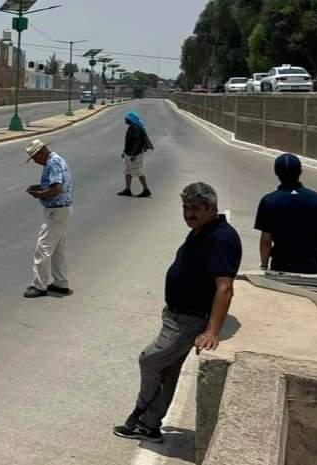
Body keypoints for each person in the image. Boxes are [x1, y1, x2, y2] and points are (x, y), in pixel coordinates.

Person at [114, 182, 241, 443]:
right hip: (176, 316)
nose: (188, 213)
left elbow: (225, 287)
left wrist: (212, 331)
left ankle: (140, 413)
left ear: (211, 208)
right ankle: (149, 425)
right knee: (168, 372)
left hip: (188, 320)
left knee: (149, 360)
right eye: (185, 208)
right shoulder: (202, 230)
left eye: (195, 208)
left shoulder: (222, 238)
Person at [254, 153, 317, 274]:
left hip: (281, 266)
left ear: (276, 172)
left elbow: (266, 240)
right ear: (300, 171)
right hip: (311, 266)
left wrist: (264, 265)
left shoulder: (269, 201)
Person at [22, 139, 73, 298]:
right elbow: (53, 185)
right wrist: (39, 187)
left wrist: (39, 194)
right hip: (62, 210)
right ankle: (60, 283)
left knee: (42, 248)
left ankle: (39, 286)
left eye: (36, 158)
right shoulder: (54, 161)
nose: (36, 162)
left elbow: (56, 188)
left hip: (57, 211)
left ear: (42, 152)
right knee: (58, 249)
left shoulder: (53, 163)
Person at [118, 111, 153, 198]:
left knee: (138, 172)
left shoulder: (135, 128)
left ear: (130, 119)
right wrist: (124, 151)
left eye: (126, 118)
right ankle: (127, 189)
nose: (125, 119)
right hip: (128, 153)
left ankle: (146, 190)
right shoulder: (131, 127)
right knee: (128, 171)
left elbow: (138, 142)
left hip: (135, 154)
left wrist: (133, 154)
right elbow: (129, 142)